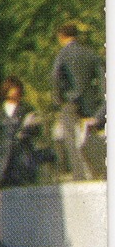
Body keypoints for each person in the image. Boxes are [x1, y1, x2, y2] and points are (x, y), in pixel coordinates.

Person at [50, 23, 104, 180]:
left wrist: (58, 99)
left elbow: (55, 76)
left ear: (61, 37)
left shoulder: (62, 55)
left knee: (72, 142)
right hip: (92, 104)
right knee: (91, 140)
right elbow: (103, 80)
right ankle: (98, 172)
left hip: (70, 104)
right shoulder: (91, 54)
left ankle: (79, 176)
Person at [0, 76, 44, 188]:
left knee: (24, 187)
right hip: (3, 157)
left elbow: (37, 131)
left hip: (23, 155)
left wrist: (27, 131)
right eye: (12, 88)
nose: (15, 91)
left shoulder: (27, 109)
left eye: (17, 88)